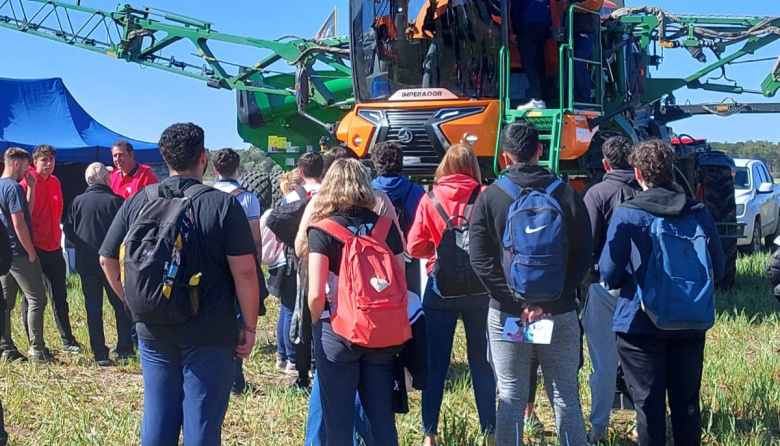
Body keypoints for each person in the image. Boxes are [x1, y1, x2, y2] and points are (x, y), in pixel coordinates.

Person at [99, 123, 260, 445]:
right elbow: (244, 271)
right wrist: (250, 327)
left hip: (153, 325)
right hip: (210, 329)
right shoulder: (222, 205)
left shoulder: (139, 200)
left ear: (164, 157)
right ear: (203, 157)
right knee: (201, 420)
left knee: (157, 414)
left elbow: (107, 259)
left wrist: (131, 301)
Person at [469, 122, 592, 445]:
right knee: (564, 394)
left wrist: (519, 303)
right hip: (559, 313)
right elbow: (584, 255)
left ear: (505, 156)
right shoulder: (567, 194)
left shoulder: (491, 197)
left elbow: (480, 259)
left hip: (509, 316)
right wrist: (548, 303)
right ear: (540, 150)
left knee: (510, 395)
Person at [599, 140, 725, 446]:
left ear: (638, 173)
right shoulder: (698, 212)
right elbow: (718, 268)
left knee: (648, 407)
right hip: (690, 320)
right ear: (672, 170)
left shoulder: (629, 214)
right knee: (687, 405)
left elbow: (609, 272)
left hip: (640, 325)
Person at [297, 146, 407, 446]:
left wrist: (319, 323)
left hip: (338, 331)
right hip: (381, 331)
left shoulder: (322, 230)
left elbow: (316, 291)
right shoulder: (386, 226)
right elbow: (400, 279)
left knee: (338, 420)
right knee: (381, 419)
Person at [406, 144, 495, 446]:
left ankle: (430, 434)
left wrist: (439, 247)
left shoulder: (430, 198)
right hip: (479, 289)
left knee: (436, 363)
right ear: (472, 166)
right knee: (481, 361)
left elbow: (414, 247)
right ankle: (489, 431)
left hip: (441, 288)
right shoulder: (484, 196)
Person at [581, 136, 639, 443]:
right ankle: (647, 422)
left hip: (606, 289)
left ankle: (599, 430)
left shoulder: (598, 193)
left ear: (606, 163)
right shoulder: (645, 191)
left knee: (603, 363)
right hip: (642, 289)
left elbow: (588, 243)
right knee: (643, 361)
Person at [64, 163, 134, 366]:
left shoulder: (77, 202)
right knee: (120, 305)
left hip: (86, 263)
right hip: (112, 263)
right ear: (106, 180)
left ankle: (99, 354)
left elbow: (68, 231)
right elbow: (128, 232)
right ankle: (124, 349)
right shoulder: (117, 202)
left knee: (93, 308)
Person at [20, 144, 80, 354]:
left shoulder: (55, 182)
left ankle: (68, 340)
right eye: (44, 160)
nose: (48, 164)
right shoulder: (27, 182)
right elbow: (24, 215)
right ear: (34, 162)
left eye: (52, 160)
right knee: (33, 298)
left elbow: (59, 209)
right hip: (34, 247)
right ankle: (34, 343)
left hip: (54, 247)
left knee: (60, 296)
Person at [0, 148, 55, 363]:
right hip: (19, 252)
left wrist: (31, 188)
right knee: (37, 299)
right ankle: (37, 349)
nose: (28, 169)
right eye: (25, 165)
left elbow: (26, 213)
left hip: (5, 253)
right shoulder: (13, 188)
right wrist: (30, 251)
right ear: (16, 164)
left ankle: (5, 346)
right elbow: (19, 222)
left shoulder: (3, 186)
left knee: (6, 302)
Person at [371, 142, 425, 295]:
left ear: (376, 164)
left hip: (375, 257)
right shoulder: (416, 190)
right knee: (411, 303)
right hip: (409, 256)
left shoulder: (367, 191)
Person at [264, 169, 301, 375]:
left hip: (279, 263)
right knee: (290, 310)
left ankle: (282, 356)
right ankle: (292, 359)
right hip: (289, 262)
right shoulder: (295, 202)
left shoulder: (283, 201)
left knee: (285, 310)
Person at [511, 0, 552, 110]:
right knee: (538, 61)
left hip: (528, 25)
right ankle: (542, 96)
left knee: (528, 62)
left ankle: (536, 98)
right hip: (543, 26)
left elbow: (515, 10)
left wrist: (515, 30)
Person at [570, 0, 600, 105]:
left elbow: (594, 5)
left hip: (587, 32)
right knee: (567, 65)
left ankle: (584, 98)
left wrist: (573, 7)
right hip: (568, 32)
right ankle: (570, 97)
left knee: (578, 64)